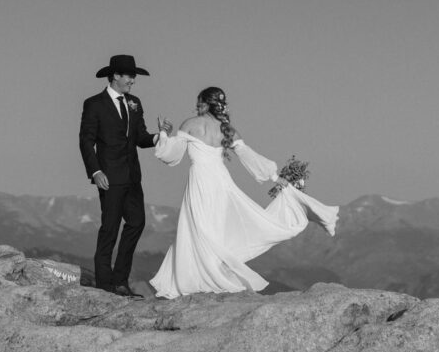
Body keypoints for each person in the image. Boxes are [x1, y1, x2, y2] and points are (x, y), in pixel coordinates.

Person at [149, 87, 338, 299]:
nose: (196, 107)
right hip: (221, 184)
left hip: (200, 183)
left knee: (197, 227)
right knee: (216, 229)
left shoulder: (190, 124)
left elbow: (169, 155)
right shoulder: (226, 129)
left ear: (206, 103)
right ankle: (210, 275)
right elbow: (249, 157)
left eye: (199, 103)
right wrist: (276, 178)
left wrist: (163, 133)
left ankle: (196, 279)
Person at [79, 54, 172, 298]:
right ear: (116, 76)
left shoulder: (135, 103)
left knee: (137, 223)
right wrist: (95, 171)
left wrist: (158, 135)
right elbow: (86, 141)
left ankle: (120, 281)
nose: (133, 80)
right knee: (109, 228)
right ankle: (104, 284)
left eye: (134, 76)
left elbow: (140, 138)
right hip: (109, 176)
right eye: (130, 76)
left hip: (132, 176)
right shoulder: (94, 104)